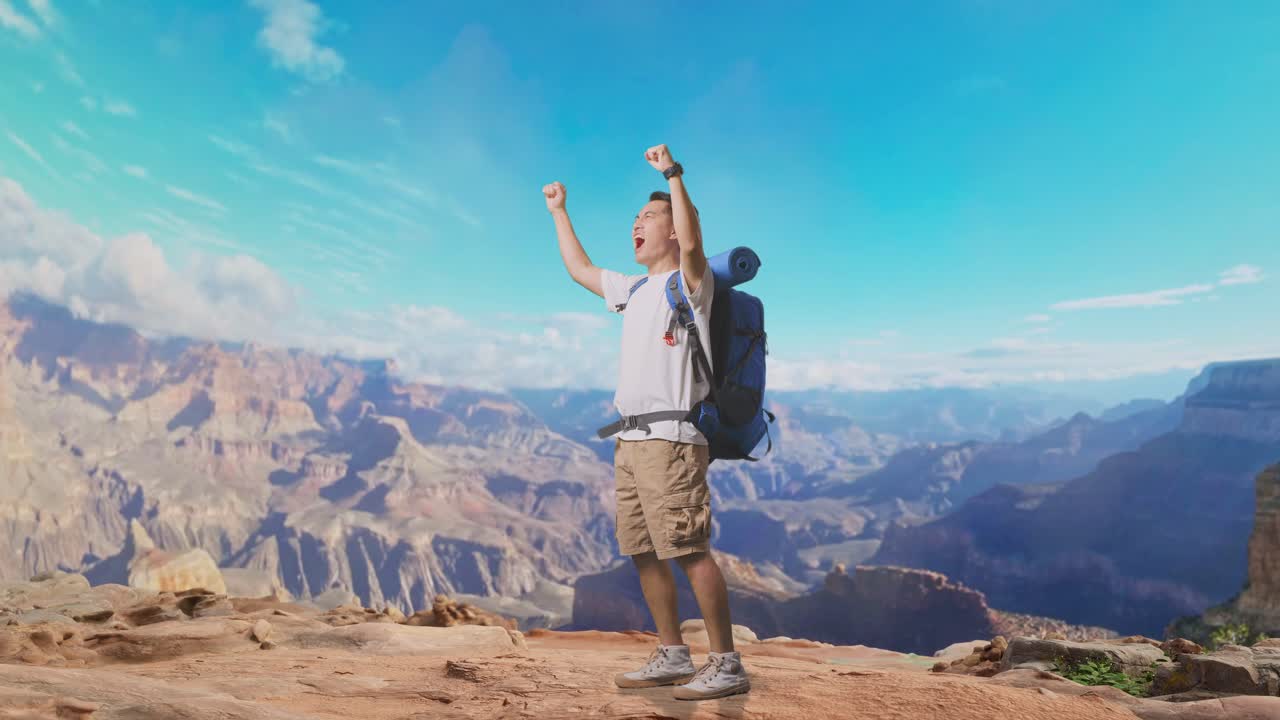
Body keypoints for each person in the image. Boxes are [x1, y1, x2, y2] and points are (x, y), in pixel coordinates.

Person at [541, 144, 750, 701]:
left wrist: (673, 177)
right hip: (631, 439)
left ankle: (726, 662)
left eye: (649, 217)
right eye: (635, 218)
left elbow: (696, 239)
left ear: (675, 233)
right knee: (643, 549)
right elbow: (579, 269)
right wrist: (559, 211)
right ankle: (672, 653)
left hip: (672, 439)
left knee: (687, 548)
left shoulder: (692, 284)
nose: (637, 223)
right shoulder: (632, 291)